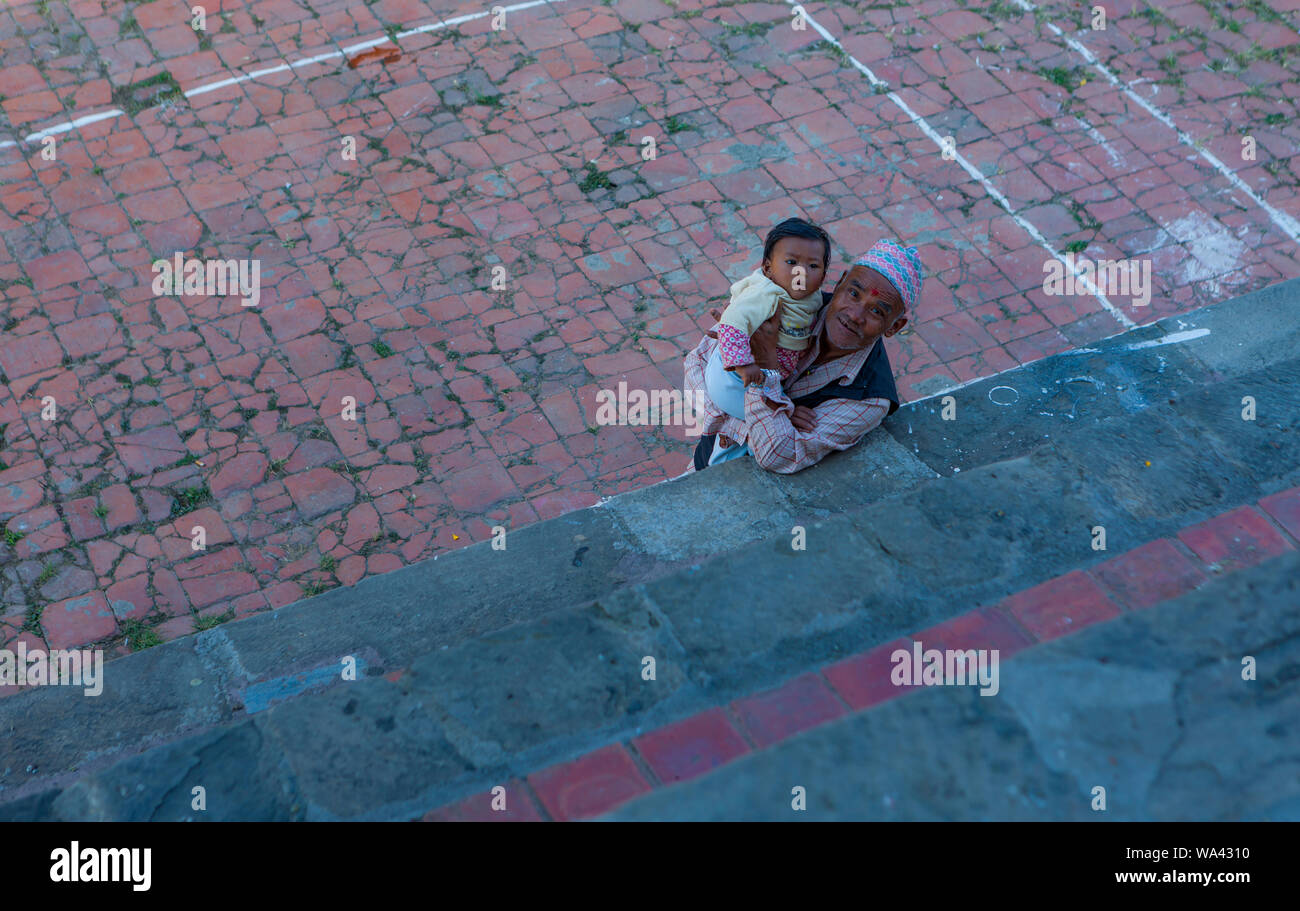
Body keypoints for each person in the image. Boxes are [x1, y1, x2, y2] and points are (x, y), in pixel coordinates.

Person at [683, 239, 923, 474]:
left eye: (876, 311)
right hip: (704, 461)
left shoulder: (869, 398)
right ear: (840, 283)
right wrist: (784, 414)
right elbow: (696, 364)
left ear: (894, 327)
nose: (855, 315)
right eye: (853, 293)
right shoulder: (791, 299)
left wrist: (767, 366)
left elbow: (777, 455)